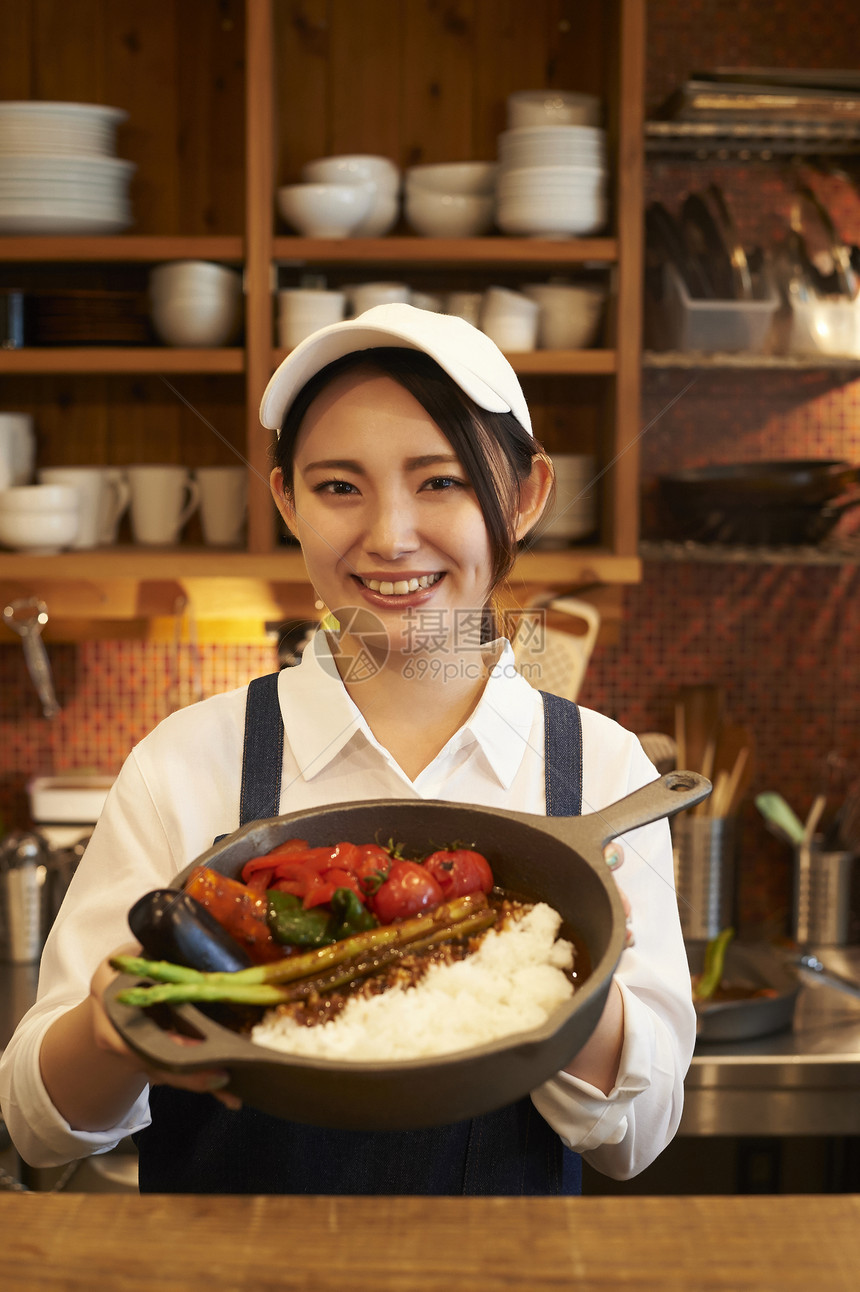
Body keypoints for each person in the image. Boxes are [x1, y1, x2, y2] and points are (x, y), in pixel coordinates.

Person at [0, 304, 696, 1195]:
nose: (390, 535)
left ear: (523, 496)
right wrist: (109, 1029)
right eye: (340, 487)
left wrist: (571, 961)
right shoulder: (185, 761)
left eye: (440, 481)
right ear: (286, 497)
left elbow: (637, 1138)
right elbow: (37, 1127)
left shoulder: (602, 770)